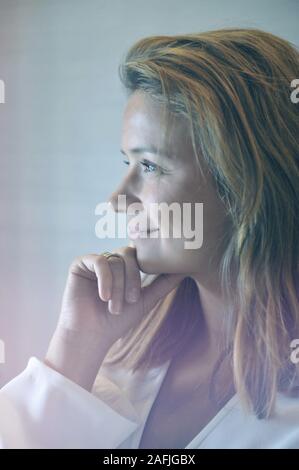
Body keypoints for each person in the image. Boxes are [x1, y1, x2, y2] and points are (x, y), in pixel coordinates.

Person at [1, 27, 299, 449]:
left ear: (242, 184)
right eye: (127, 162)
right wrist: (72, 352)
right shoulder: (118, 366)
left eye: (151, 167)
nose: (118, 199)